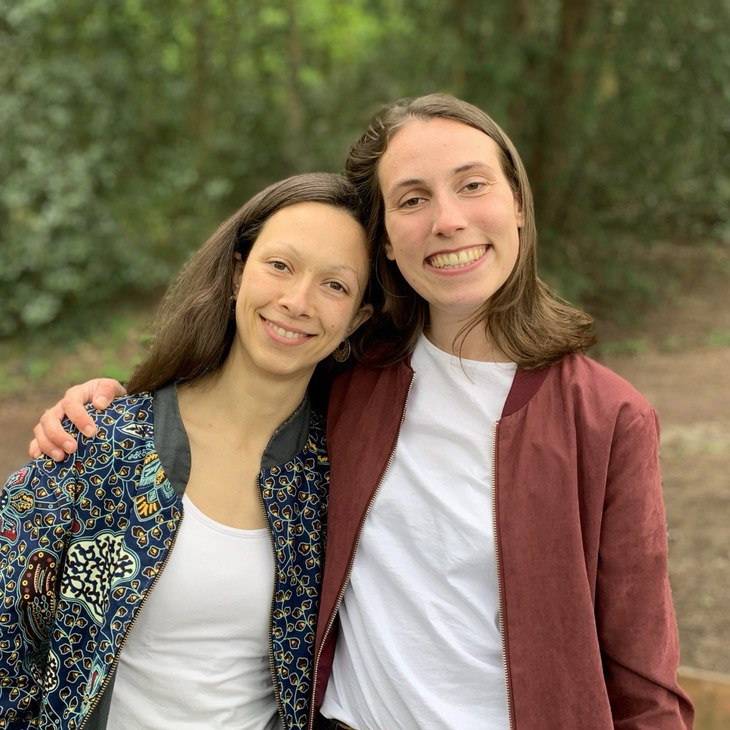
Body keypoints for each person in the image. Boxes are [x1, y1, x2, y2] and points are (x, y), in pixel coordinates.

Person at [26, 94, 693, 729]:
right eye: (412, 199)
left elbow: (645, 685)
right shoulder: (354, 378)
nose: (447, 220)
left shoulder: (606, 418)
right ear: (389, 243)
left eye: (472, 185)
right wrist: (111, 405)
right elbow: (246, 375)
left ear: (518, 202)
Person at [0, 172, 373, 730]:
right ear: (238, 273)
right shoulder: (103, 440)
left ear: (357, 321)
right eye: (280, 265)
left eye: (335, 286)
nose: (297, 301)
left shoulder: (341, 481)